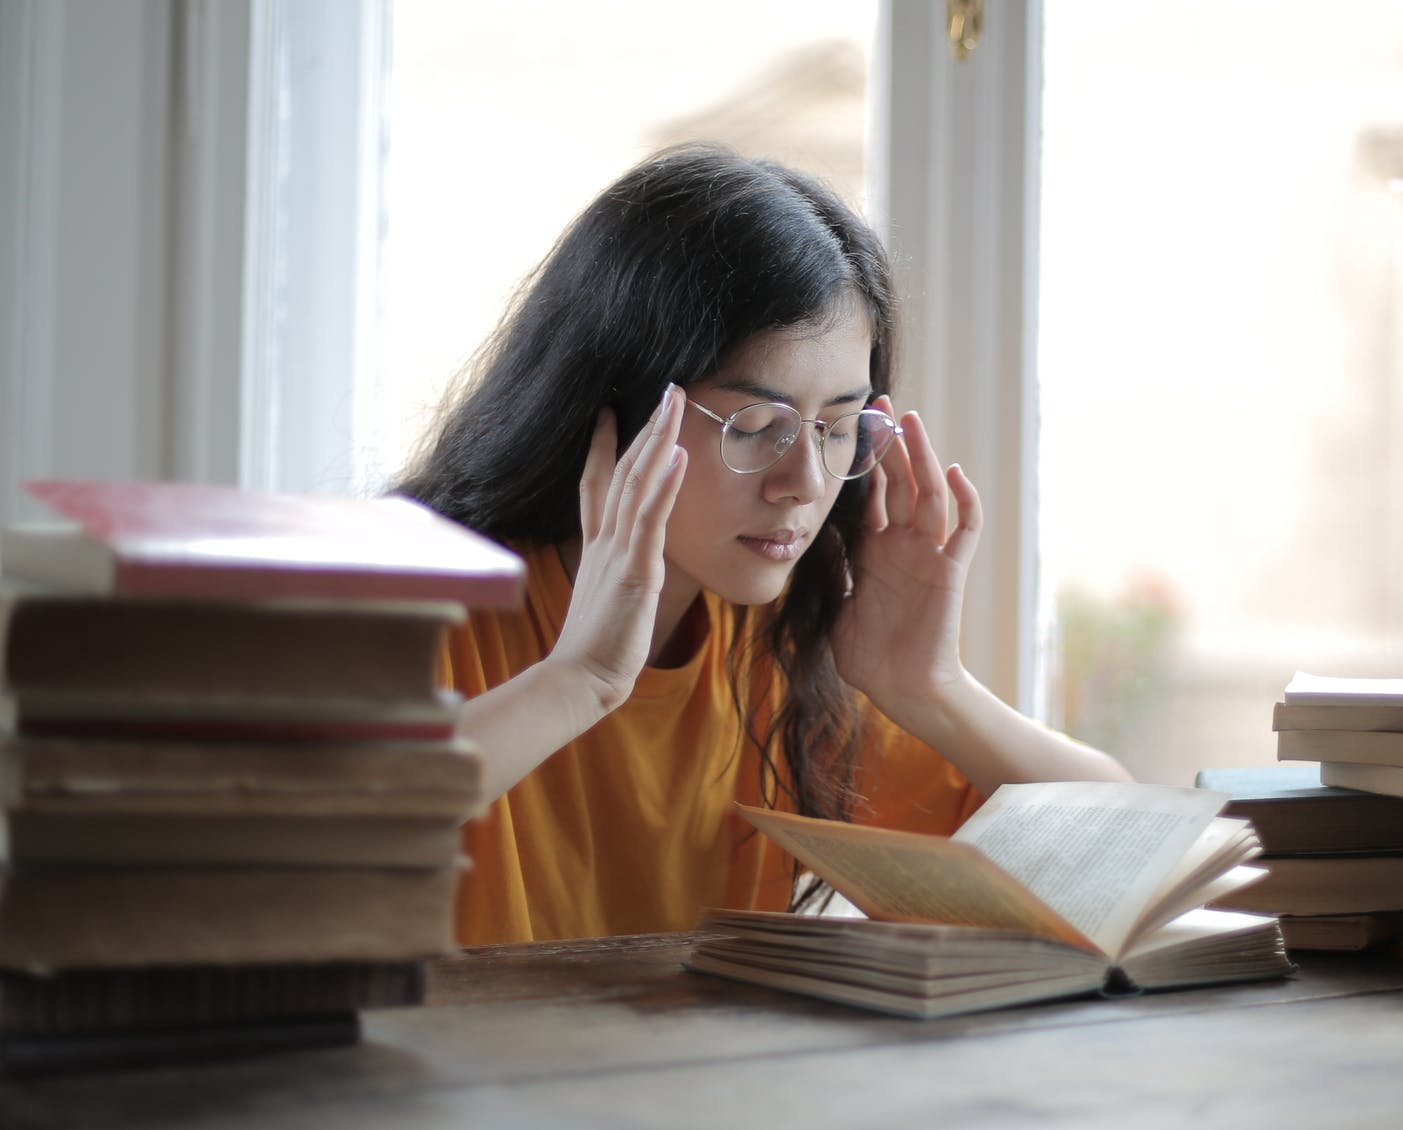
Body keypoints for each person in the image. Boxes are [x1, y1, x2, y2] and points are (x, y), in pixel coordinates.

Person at [397, 142, 1130, 945]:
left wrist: (929, 686)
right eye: (755, 427)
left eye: (840, 428)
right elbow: (285, 844)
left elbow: (1118, 854)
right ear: (613, 411)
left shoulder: (771, 648)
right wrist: (582, 679)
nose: (806, 483)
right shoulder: (422, 611)